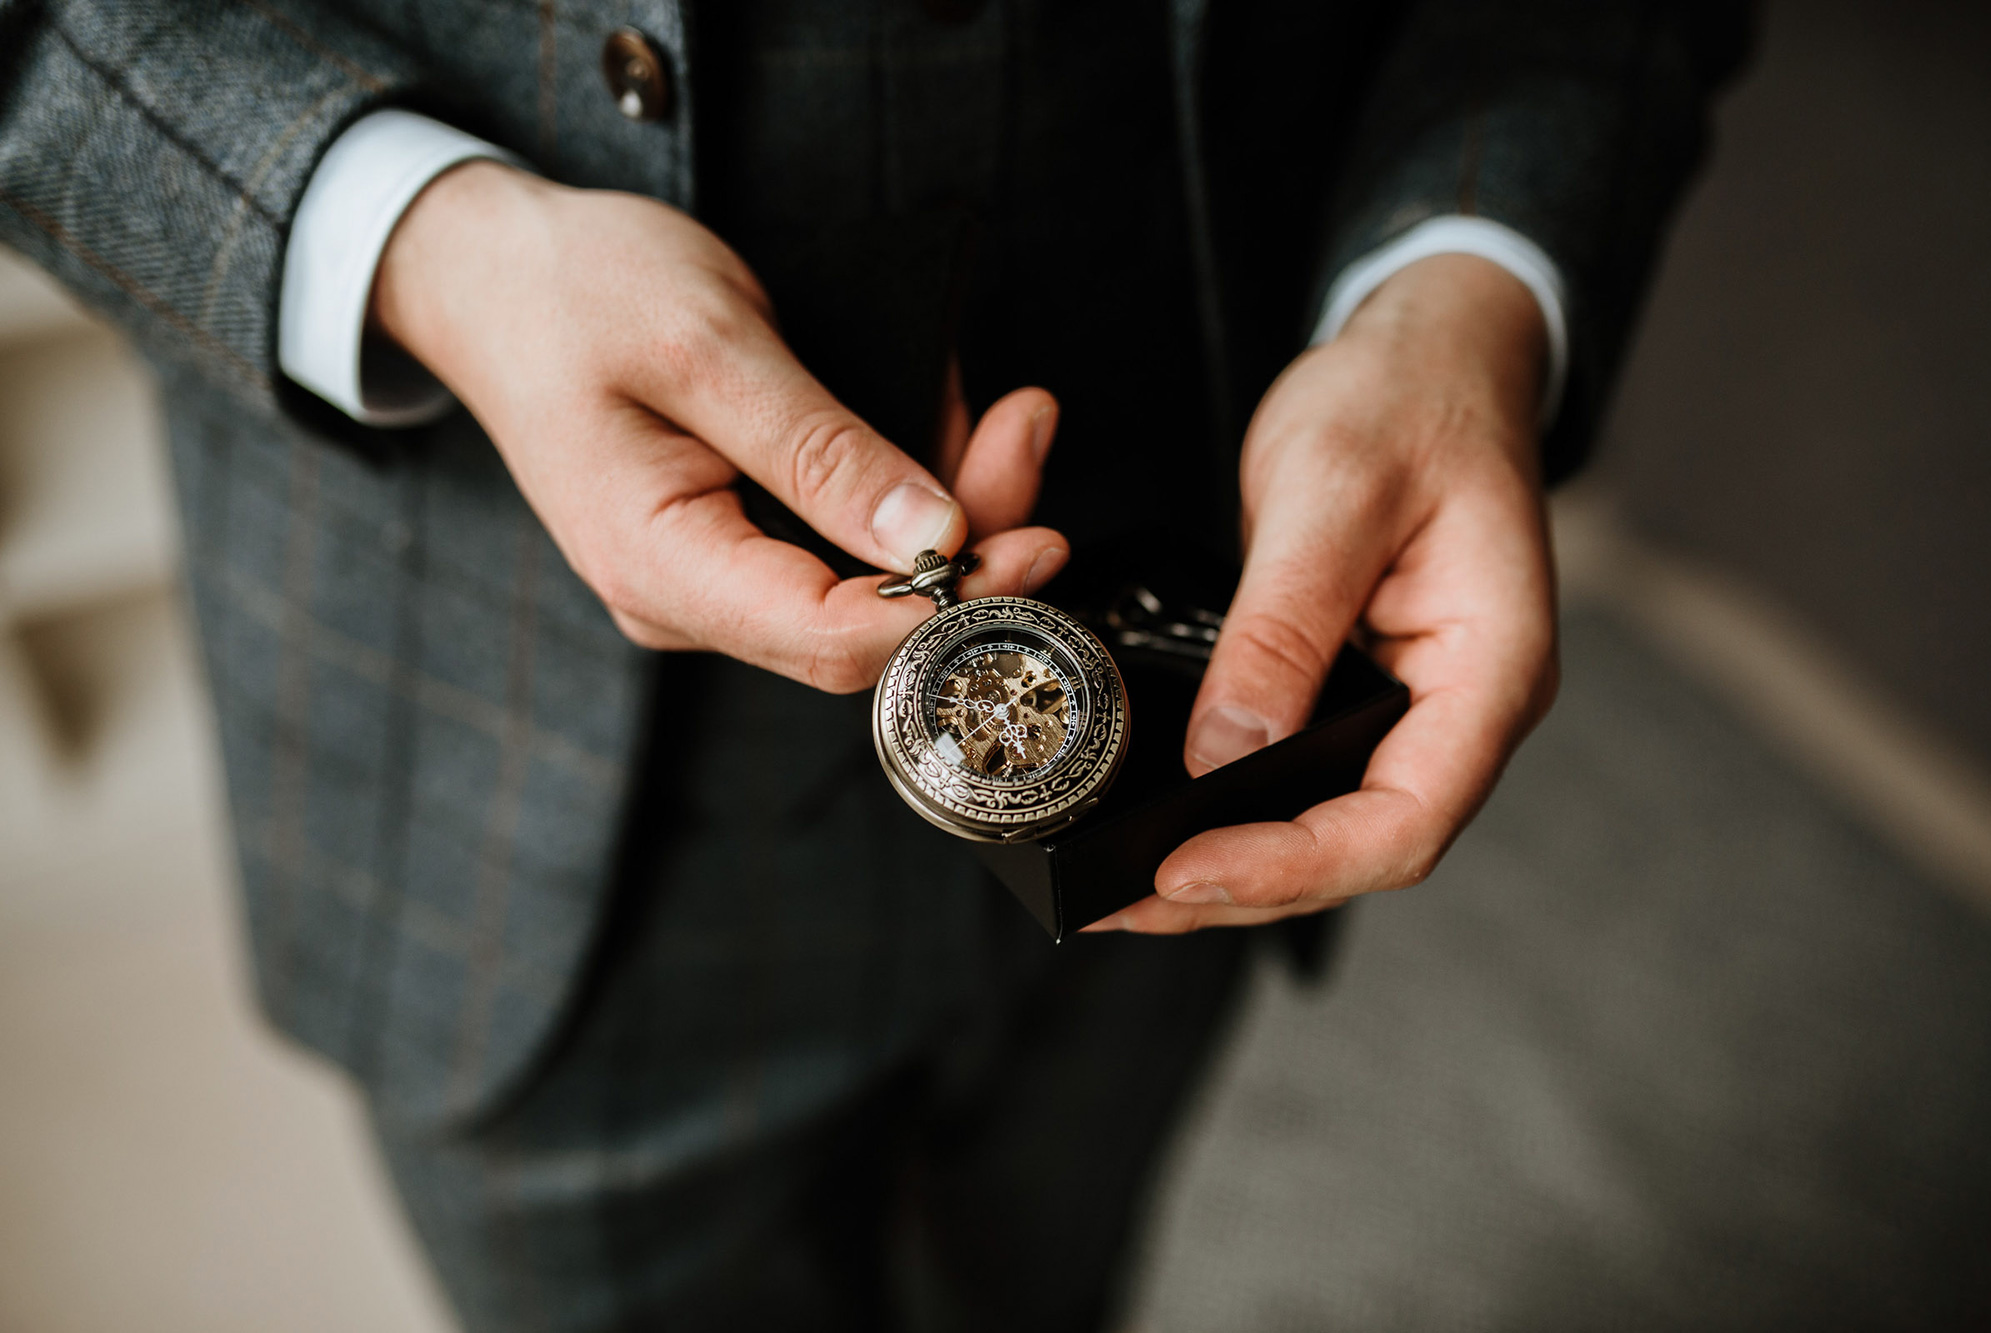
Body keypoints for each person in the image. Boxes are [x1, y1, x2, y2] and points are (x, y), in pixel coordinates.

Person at [0, 1, 1749, 1327]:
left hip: (1208, 632)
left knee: (1048, 1275)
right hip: (497, 743)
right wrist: (418, 236)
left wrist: (1466, 277)